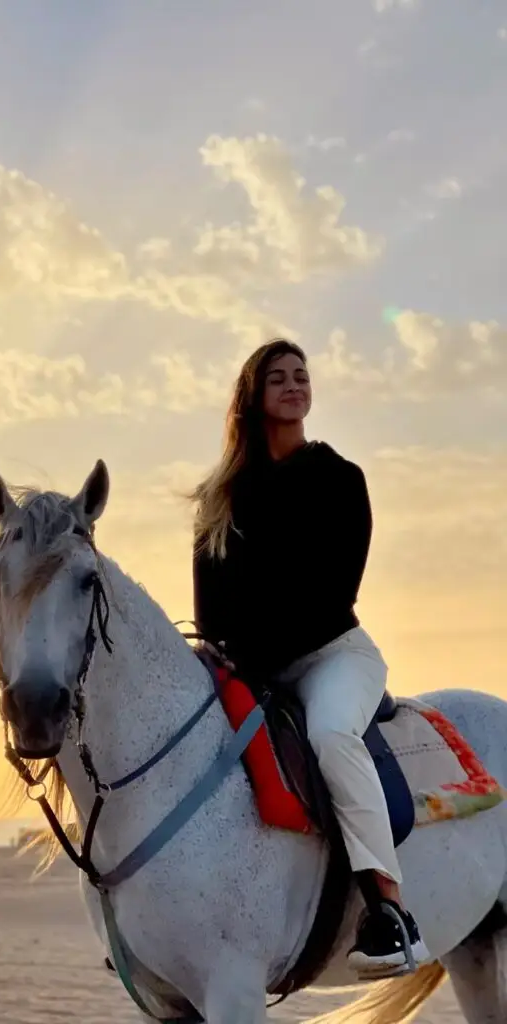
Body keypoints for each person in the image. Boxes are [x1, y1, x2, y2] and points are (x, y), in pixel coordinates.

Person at [190, 337, 431, 977]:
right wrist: (221, 655)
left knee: (329, 735)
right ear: (254, 396)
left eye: (302, 376)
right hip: (254, 667)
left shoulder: (339, 480)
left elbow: (331, 592)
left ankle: (390, 914)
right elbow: (210, 606)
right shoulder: (221, 496)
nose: (295, 386)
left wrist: (253, 653)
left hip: (333, 655)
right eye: (279, 379)